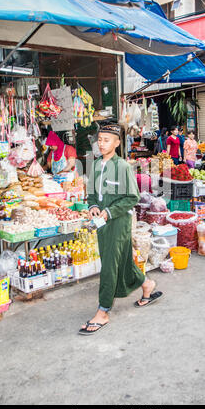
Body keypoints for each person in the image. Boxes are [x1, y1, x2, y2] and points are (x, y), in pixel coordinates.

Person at [79, 123, 162, 335]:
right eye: (100, 139)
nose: (102, 143)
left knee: (109, 265)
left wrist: (109, 211)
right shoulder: (95, 165)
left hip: (118, 222)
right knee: (122, 259)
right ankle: (146, 285)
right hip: (101, 221)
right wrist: (93, 206)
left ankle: (103, 311)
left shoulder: (123, 166)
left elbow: (132, 197)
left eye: (107, 140)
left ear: (117, 143)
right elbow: (91, 194)